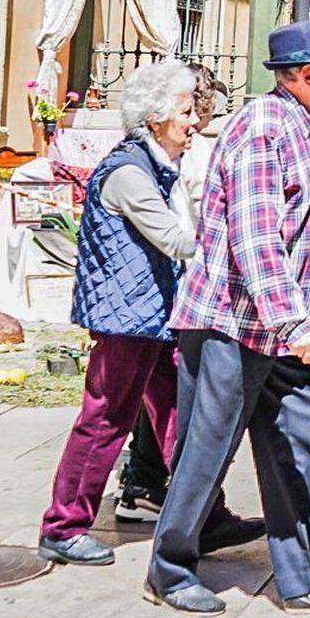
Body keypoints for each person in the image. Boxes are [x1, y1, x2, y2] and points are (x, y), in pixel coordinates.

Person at [146, 20, 310, 617]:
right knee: (207, 451)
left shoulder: (302, 126)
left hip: (274, 325)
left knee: (302, 447)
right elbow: (254, 241)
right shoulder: (263, 126)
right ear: (306, 76)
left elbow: (272, 216)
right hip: (230, 324)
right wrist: (296, 324)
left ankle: (309, 576)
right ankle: (170, 569)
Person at [39, 62, 261, 566]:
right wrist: (246, 229)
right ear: (156, 119)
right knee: (106, 417)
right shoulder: (129, 173)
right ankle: (64, 525)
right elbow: (177, 240)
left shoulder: (157, 164)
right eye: (186, 112)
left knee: (180, 419)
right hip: (127, 320)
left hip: (155, 314)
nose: (195, 121)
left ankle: (204, 517)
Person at [115, 63, 228, 523]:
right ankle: (172, 498)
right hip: (171, 290)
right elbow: (183, 230)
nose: (197, 121)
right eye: (191, 111)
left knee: (161, 395)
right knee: (161, 399)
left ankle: (152, 488)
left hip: (171, 288)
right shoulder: (159, 161)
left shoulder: (172, 154)